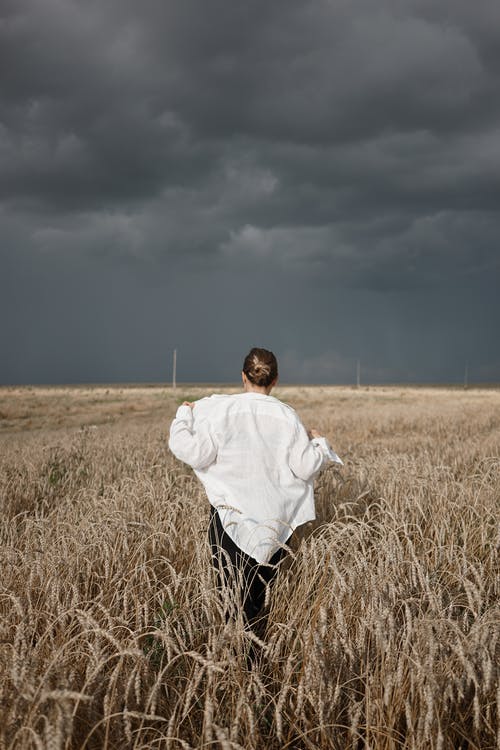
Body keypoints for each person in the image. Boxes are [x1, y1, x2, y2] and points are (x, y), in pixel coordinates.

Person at [168, 347, 343, 635]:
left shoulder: (220, 410)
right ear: (275, 381)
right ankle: (252, 666)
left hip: (228, 523)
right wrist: (320, 444)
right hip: (272, 529)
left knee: (230, 605)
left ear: (242, 377)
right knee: (256, 608)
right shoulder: (287, 416)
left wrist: (183, 416)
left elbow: (193, 452)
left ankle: (235, 668)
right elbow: (305, 467)